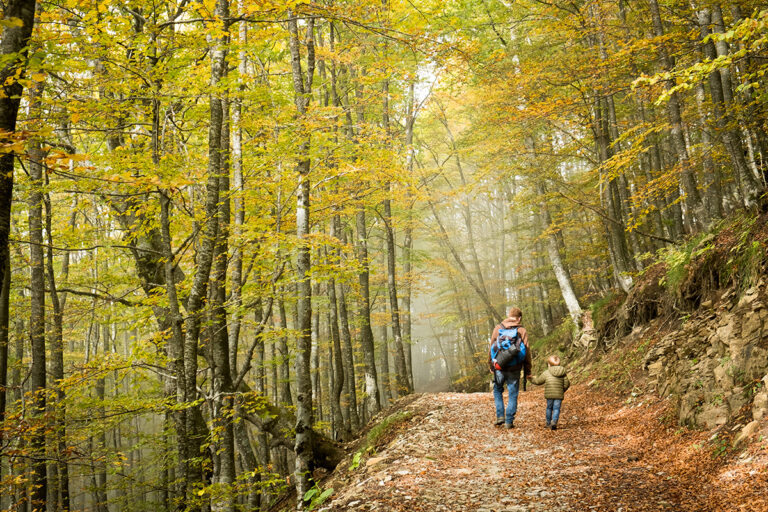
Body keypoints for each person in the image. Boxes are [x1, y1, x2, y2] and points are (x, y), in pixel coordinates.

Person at [488, 307, 532, 428]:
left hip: (499, 367)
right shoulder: (521, 330)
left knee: (497, 390)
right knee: (512, 393)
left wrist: (491, 364)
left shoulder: (498, 328)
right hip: (515, 367)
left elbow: (492, 346)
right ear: (519, 318)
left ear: (508, 315)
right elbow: (527, 351)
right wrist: (528, 370)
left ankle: (500, 416)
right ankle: (509, 421)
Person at [531, 354, 570, 430]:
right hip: (558, 394)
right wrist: (562, 390)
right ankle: (554, 422)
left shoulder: (547, 372)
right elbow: (567, 383)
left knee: (549, 408)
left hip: (549, 395)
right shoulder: (563, 372)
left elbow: (538, 381)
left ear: (549, 364)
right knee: (556, 409)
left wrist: (531, 379)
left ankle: (548, 423)